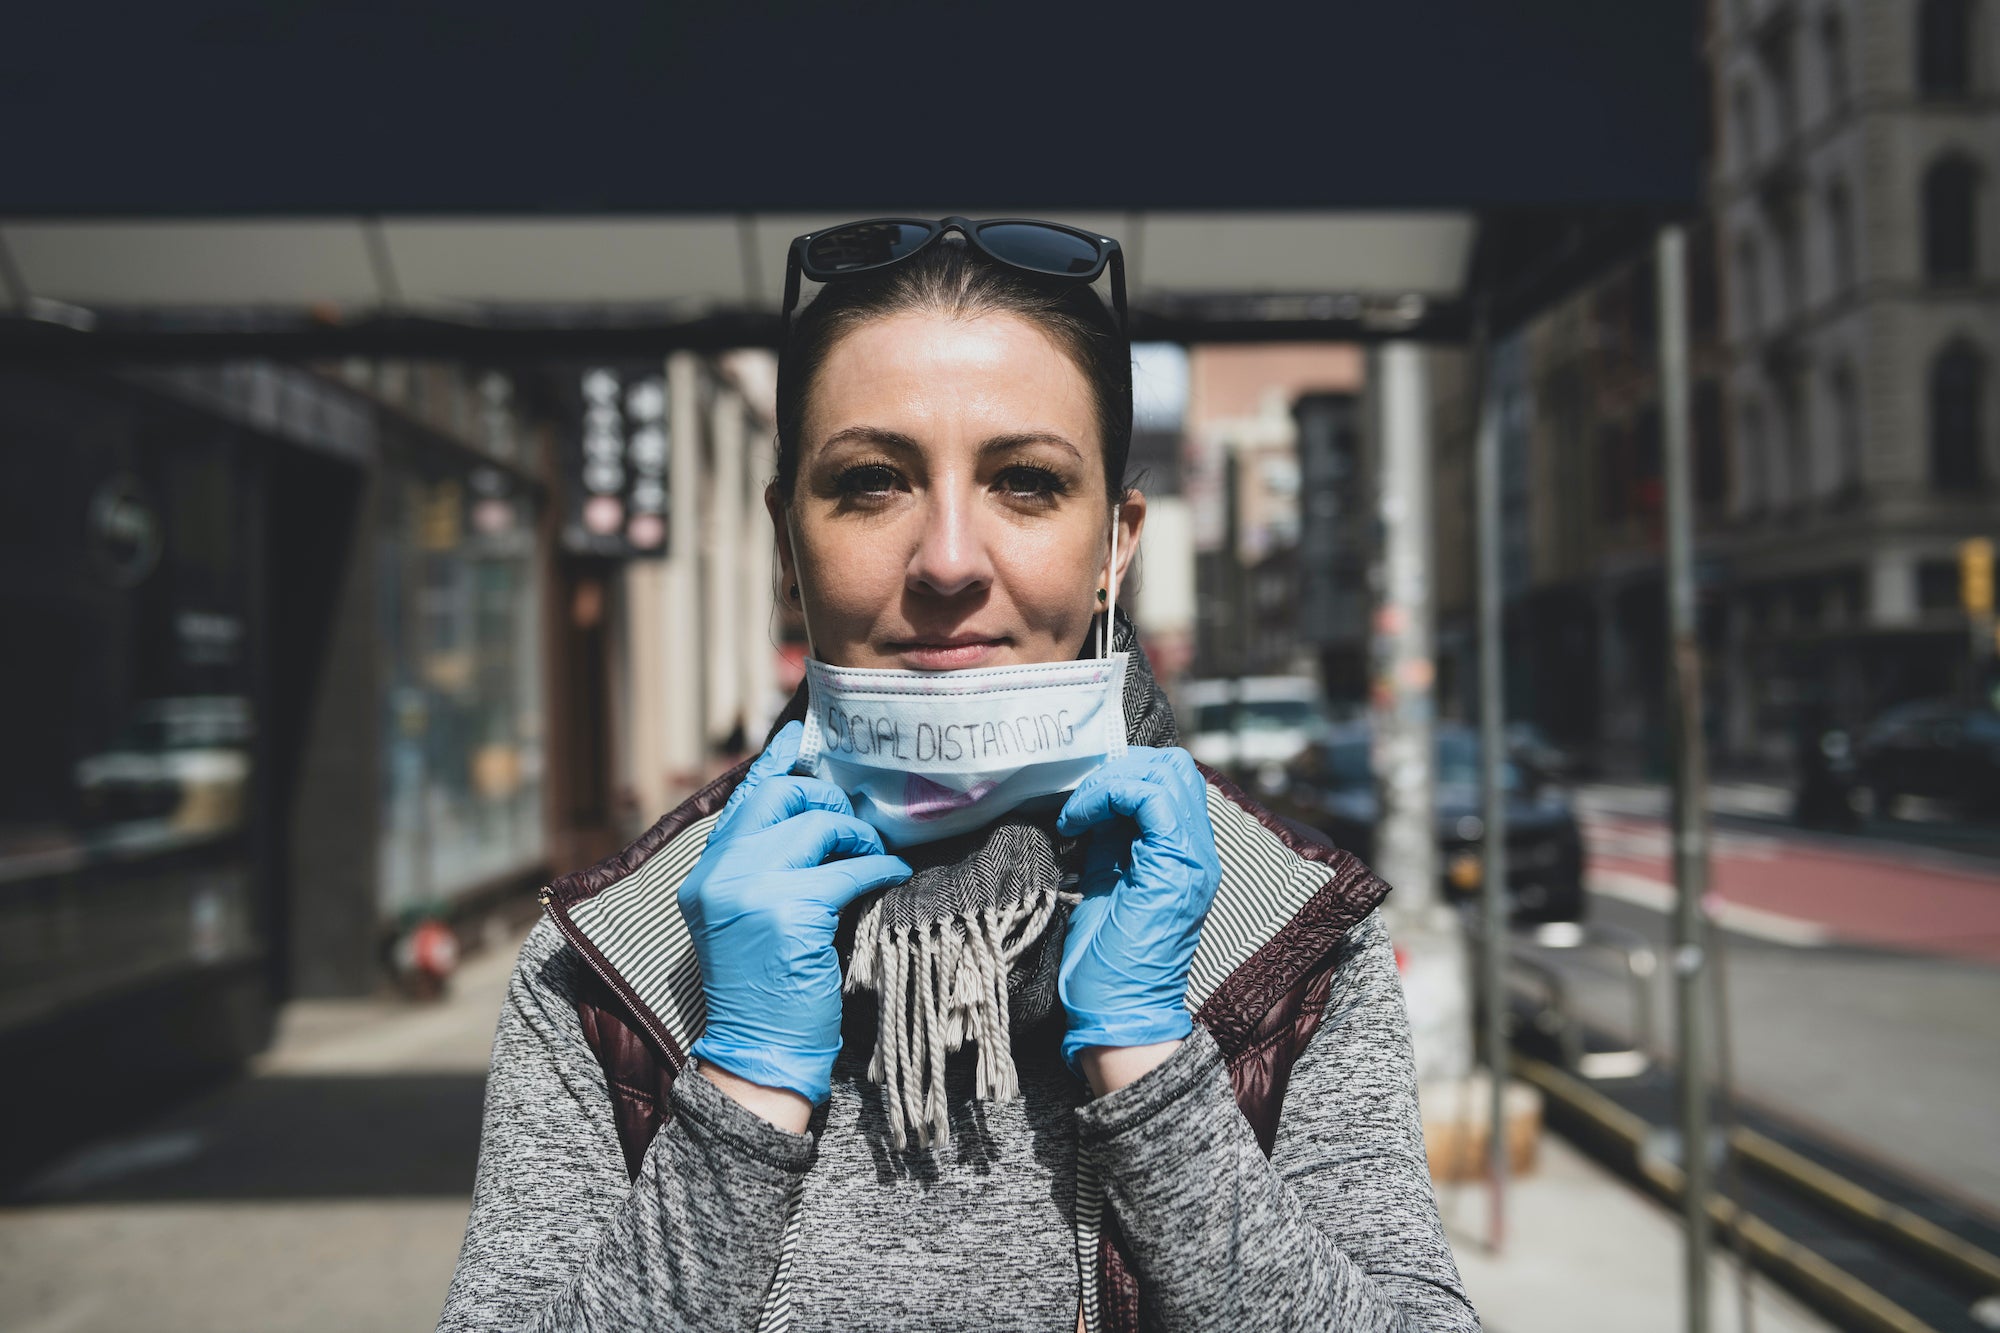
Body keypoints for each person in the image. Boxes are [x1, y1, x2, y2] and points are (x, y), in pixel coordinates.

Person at [439, 218, 1479, 1333]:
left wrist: (1151, 1066)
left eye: (1025, 483)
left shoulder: (1289, 936)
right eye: (871, 482)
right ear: (786, 540)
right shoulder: (605, 960)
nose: (945, 559)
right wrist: (739, 1098)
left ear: (1114, 545)